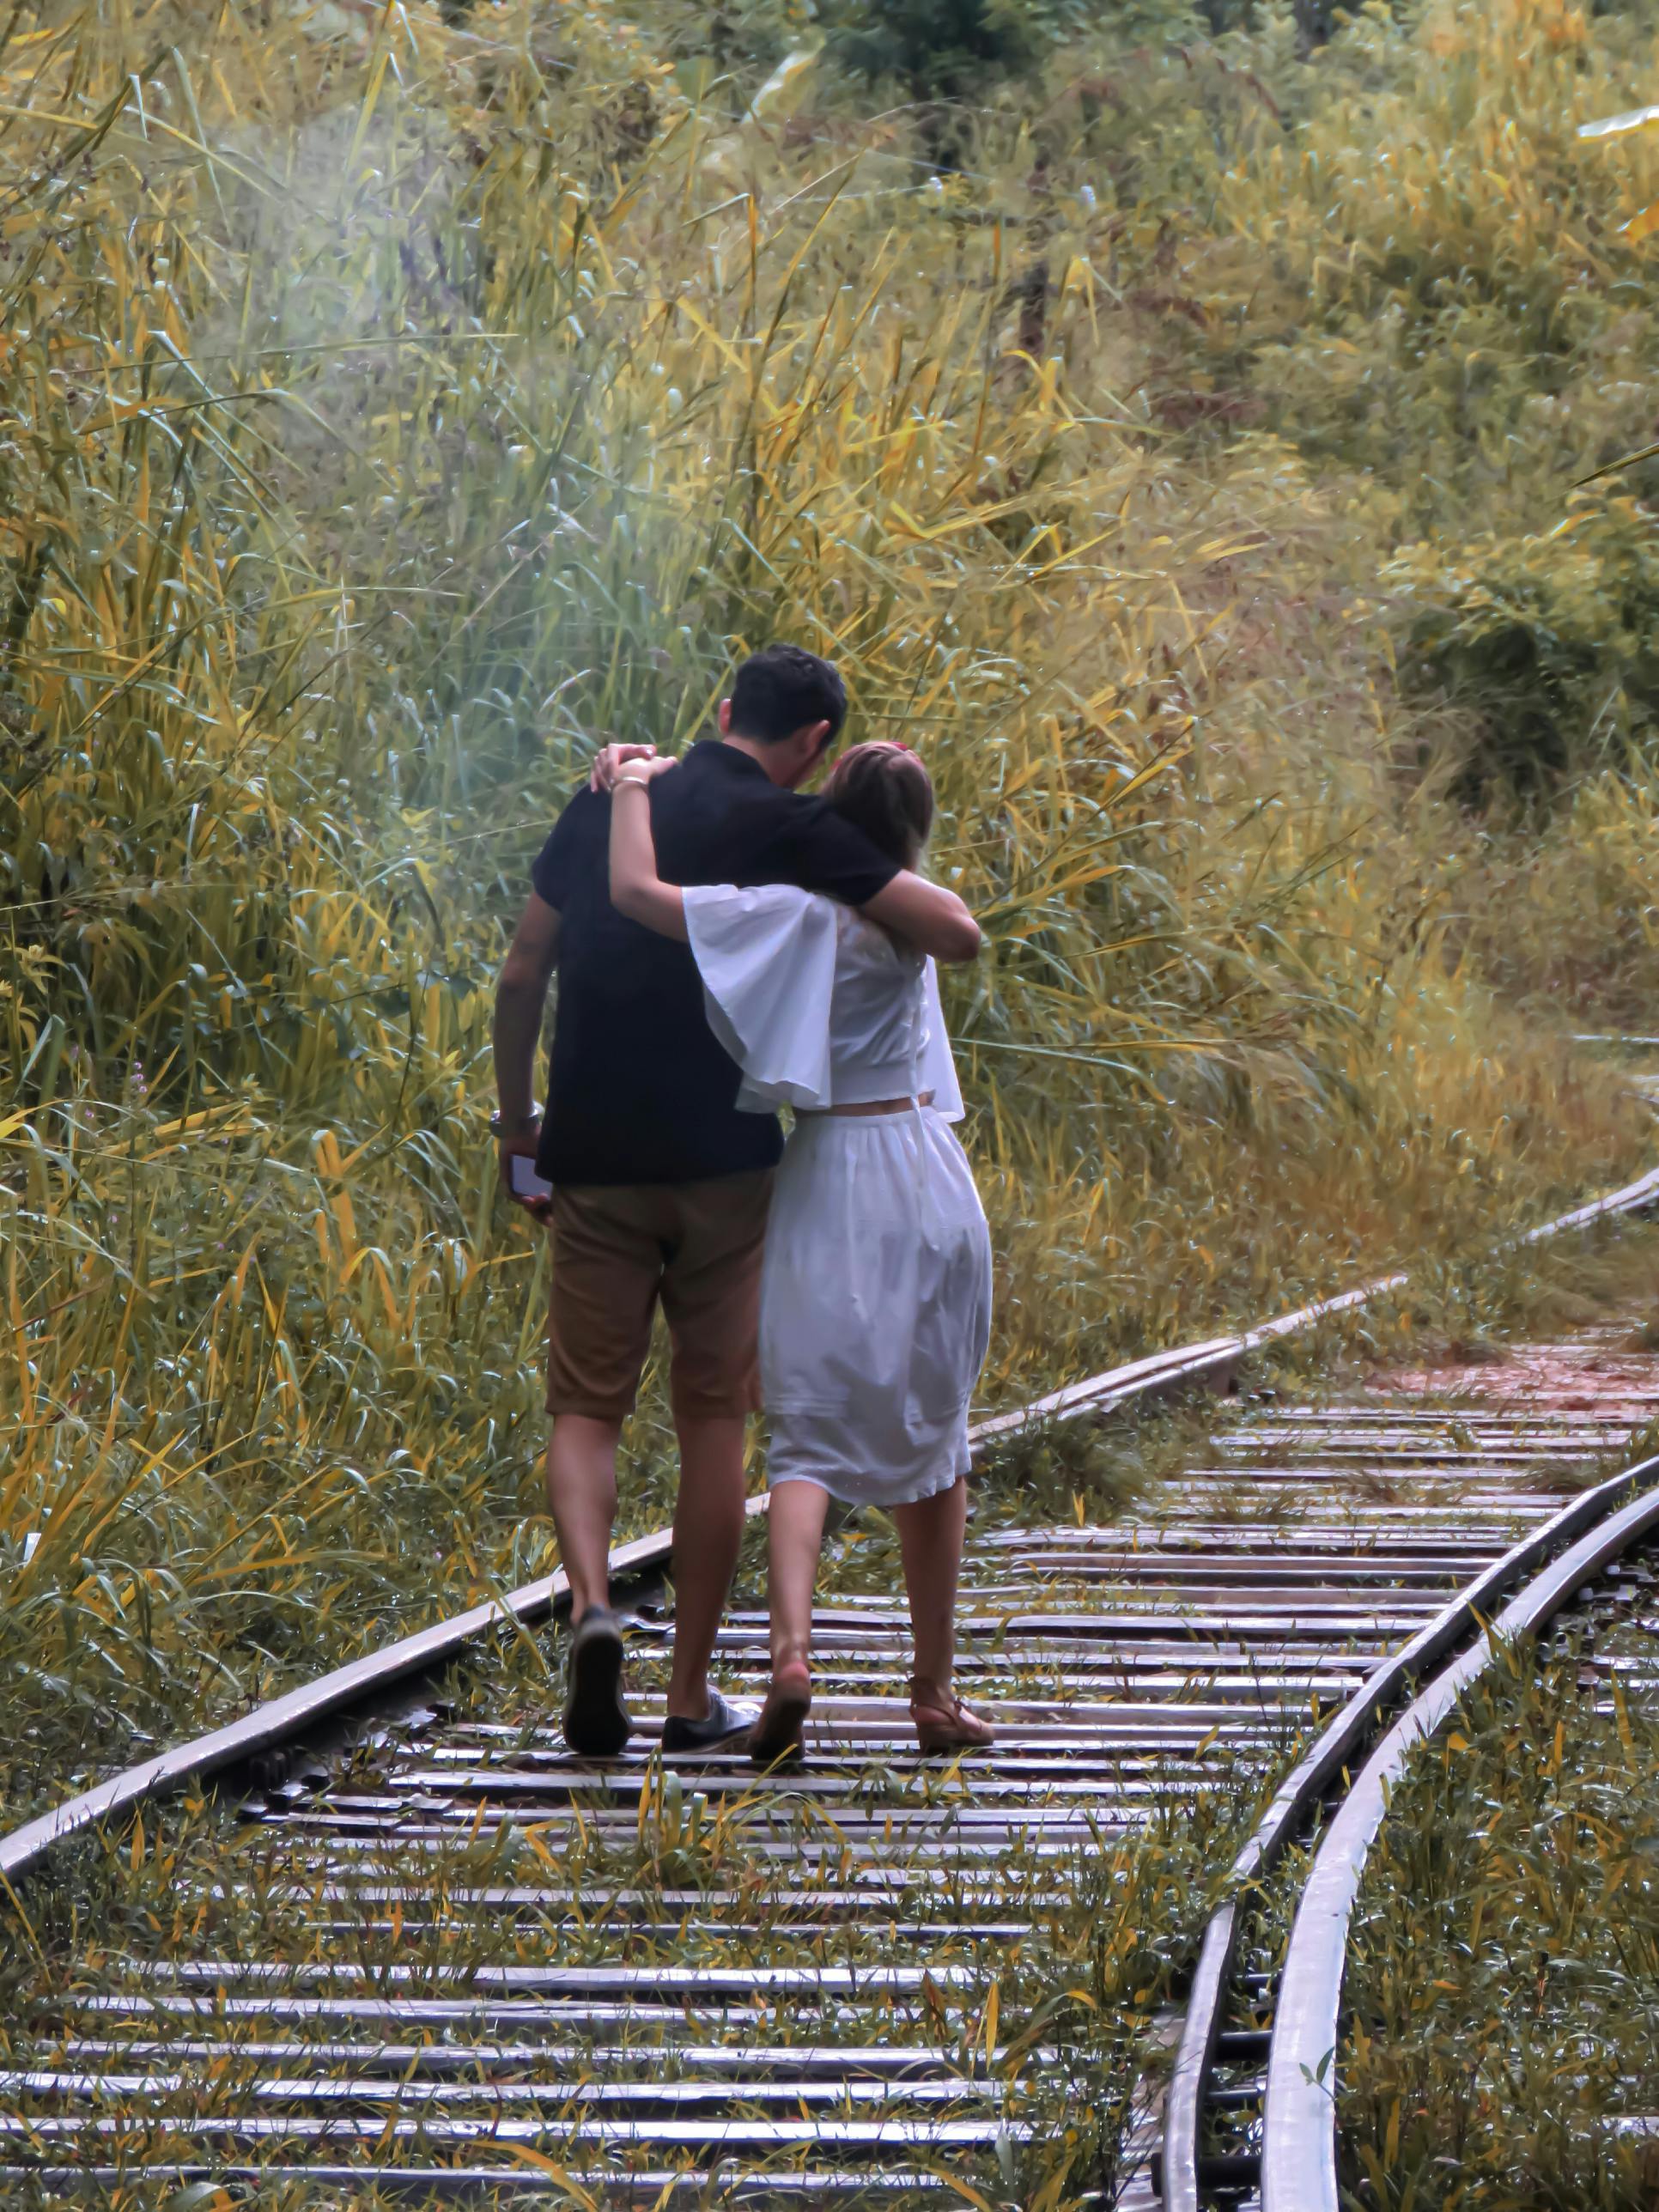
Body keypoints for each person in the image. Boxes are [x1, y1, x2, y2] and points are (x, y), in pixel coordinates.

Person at [491, 646, 980, 1759]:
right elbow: (912, 929)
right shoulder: (801, 832)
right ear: (812, 745)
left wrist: (518, 1125)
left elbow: (524, 970)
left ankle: (588, 1603)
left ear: (721, 712)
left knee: (586, 1402)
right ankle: (688, 1692)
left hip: (594, 1151)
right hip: (728, 1164)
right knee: (715, 1415)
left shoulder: (613, 795)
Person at [607, 739, 994, 1764]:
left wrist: (636, 783)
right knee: (936, 1433)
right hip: (922, 1163)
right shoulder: (908, 910)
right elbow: (961, 931)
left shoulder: (784, 913)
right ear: (911, 835)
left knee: (804, 1439)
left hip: (828, 1168)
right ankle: (932, 1690)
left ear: (825, 809)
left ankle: (790, 1652)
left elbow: (639, 893)